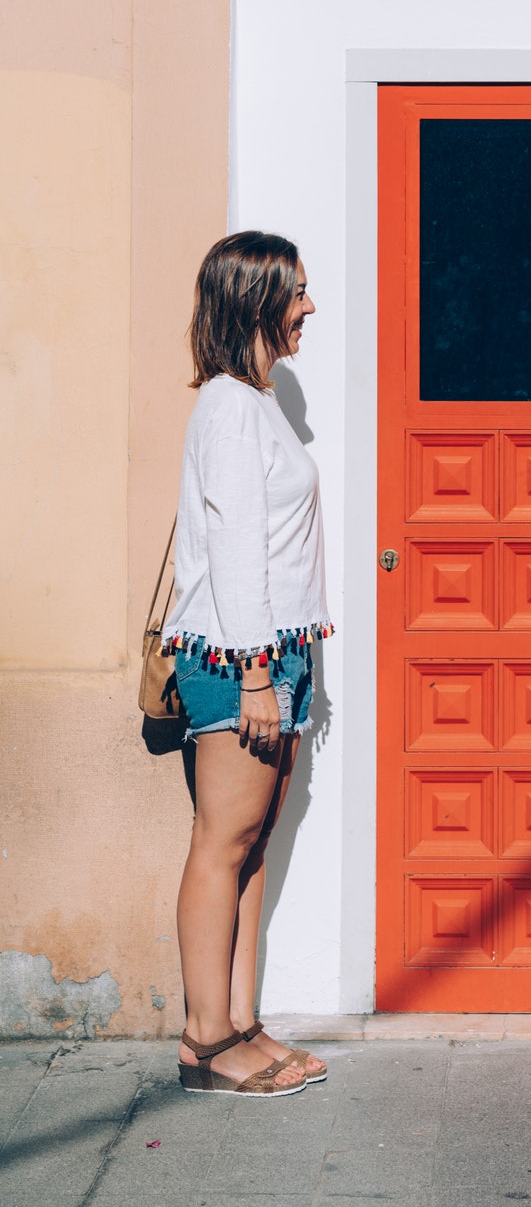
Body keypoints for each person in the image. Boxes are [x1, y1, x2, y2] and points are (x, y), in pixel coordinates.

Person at [163, 232, 333, 1097]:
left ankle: (239, 1024)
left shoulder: (257, 402)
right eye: (297, 291)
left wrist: (294, 661)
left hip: (278, 654)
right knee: (221, 844)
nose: (309, 306)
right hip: (237, 661)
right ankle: (204, 1041)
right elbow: (234, 556)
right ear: (256, 299)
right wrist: (258, 673)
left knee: (251, 846)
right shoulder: (228, 407)